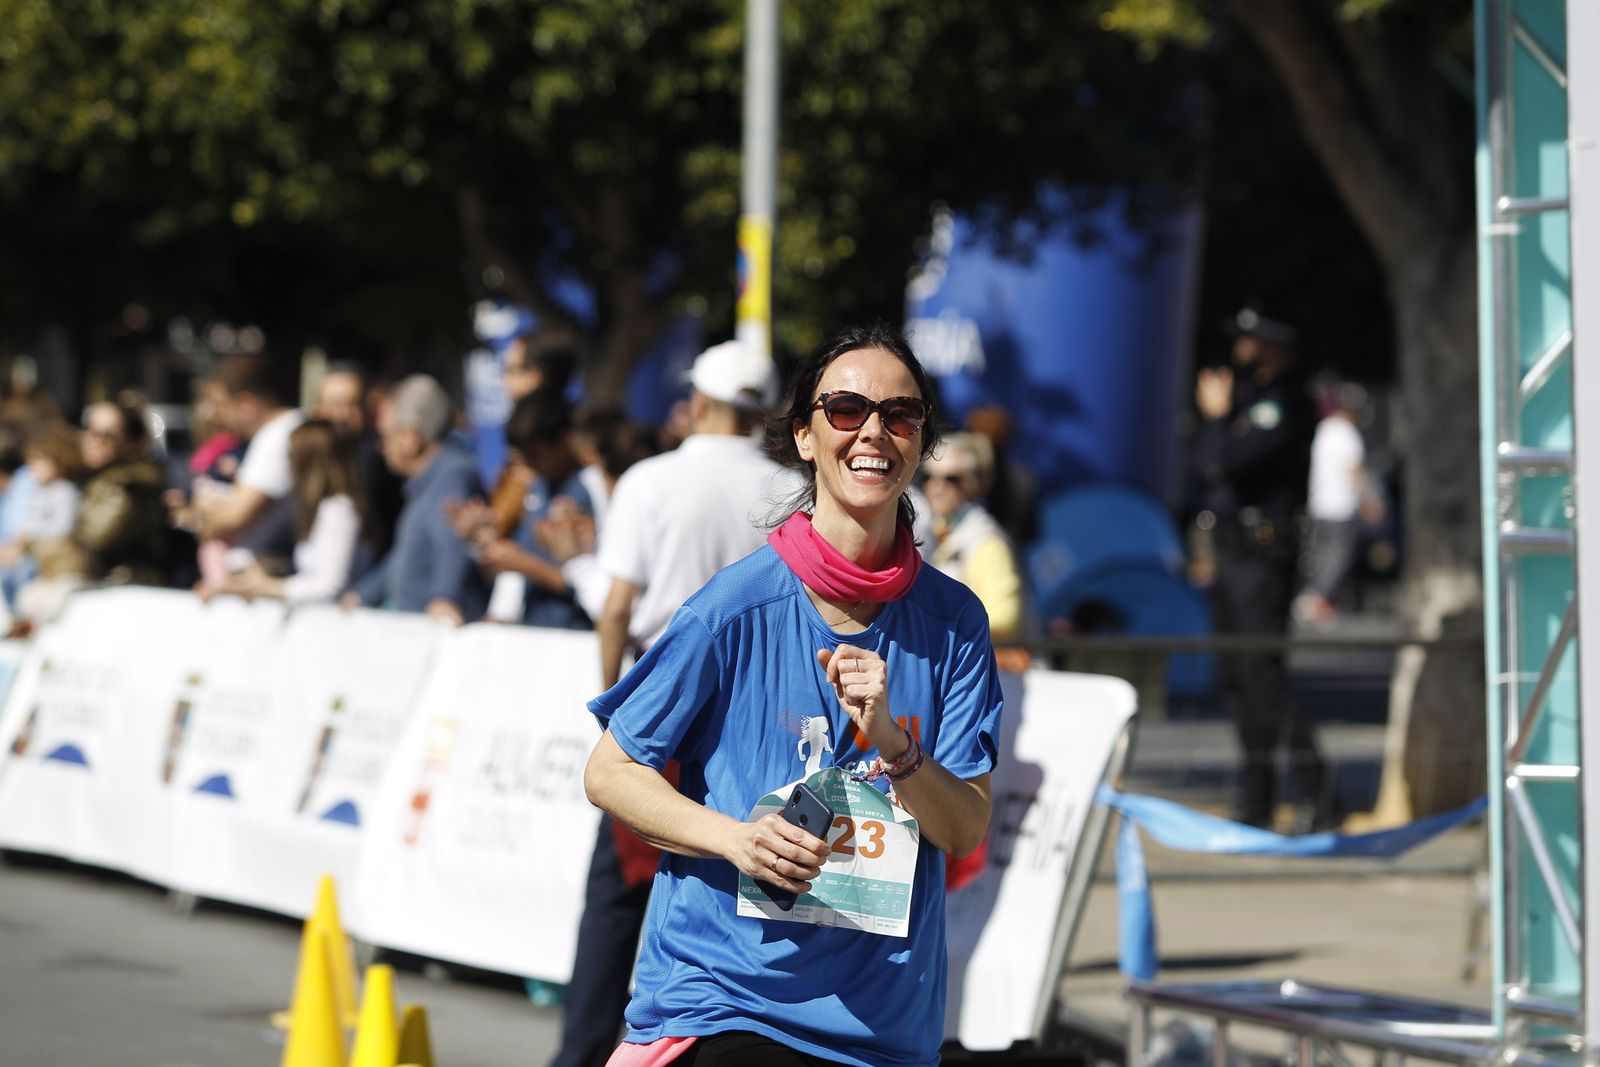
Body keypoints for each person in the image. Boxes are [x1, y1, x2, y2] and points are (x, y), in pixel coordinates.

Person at [582, 322, 1004, 1066]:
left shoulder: (954, 621)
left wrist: (898, 746)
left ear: (919, 442)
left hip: (882, 1027)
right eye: (845, 409)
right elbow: (610, 771)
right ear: (805, 437)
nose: (873, 431)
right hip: (730, 999)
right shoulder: (733, 608)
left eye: (900, 416)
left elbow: (965, 830)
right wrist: (737, 839)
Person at [546, 339, 785, 1067]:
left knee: (619, 903)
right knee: (736, 888)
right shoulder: (786, 487)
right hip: (754, 714)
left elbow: (617, 605)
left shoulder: (650, 481)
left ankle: (589, 1052)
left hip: (669, 709)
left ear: (699, 403)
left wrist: (615, 705)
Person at [1190, 307, 1325, 832]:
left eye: (1254, 339)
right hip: (1229, 550)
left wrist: (1220, 419)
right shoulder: (1243, 400)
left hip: (1264, 552)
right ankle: (1257, 794)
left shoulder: (1285, 401)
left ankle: (1316, 789)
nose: (1243, 349)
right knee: (1236, 677)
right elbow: (1202, 464)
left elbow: (1232, 460)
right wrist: (1219, 422)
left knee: (1263, 673)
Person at [345, 375, 488, 623]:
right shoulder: (425, 482)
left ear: (411, 437)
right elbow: (402, 560)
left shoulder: (452, 475)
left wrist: (445, 598)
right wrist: (361, 595)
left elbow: (453, 544)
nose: (381, 447)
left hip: (438, 637)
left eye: (387, 436)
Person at [207, 420, 370, 604]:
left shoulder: (338, 510)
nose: (288, 463)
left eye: (291, 455)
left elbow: (330, 586)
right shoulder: (320, 508)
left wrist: (267, 587)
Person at [195, 355, 305, 572]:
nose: (219, 417)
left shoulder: (278, 435)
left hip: (255, 576)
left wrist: (204, 522)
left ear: (246, 403)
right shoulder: (282, 431)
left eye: (222, 405)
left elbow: (232, 518)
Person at [920, 431, 1026, 643]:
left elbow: (1005, 618)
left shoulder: (987, 540)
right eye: (928, 477)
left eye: (951, 479)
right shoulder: (935, 531)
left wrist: (938, 627)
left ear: (977, 484)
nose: (936, 487)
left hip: (995, 668)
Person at [1296, 382, 1383, 623]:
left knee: (1324, 554)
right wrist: (1369, 500)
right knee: (1338, 556)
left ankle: (1318, 597)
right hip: (1340, 505)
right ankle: (1316, 597)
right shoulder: (1345, 432)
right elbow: (1353, 469)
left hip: (1320, 504)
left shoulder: (1324, 428)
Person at [315, 362, 404, 559]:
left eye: (351, 404)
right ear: (318, 409)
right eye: (333, 405)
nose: (342, 415)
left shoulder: (377, 459)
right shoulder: (315, 455)